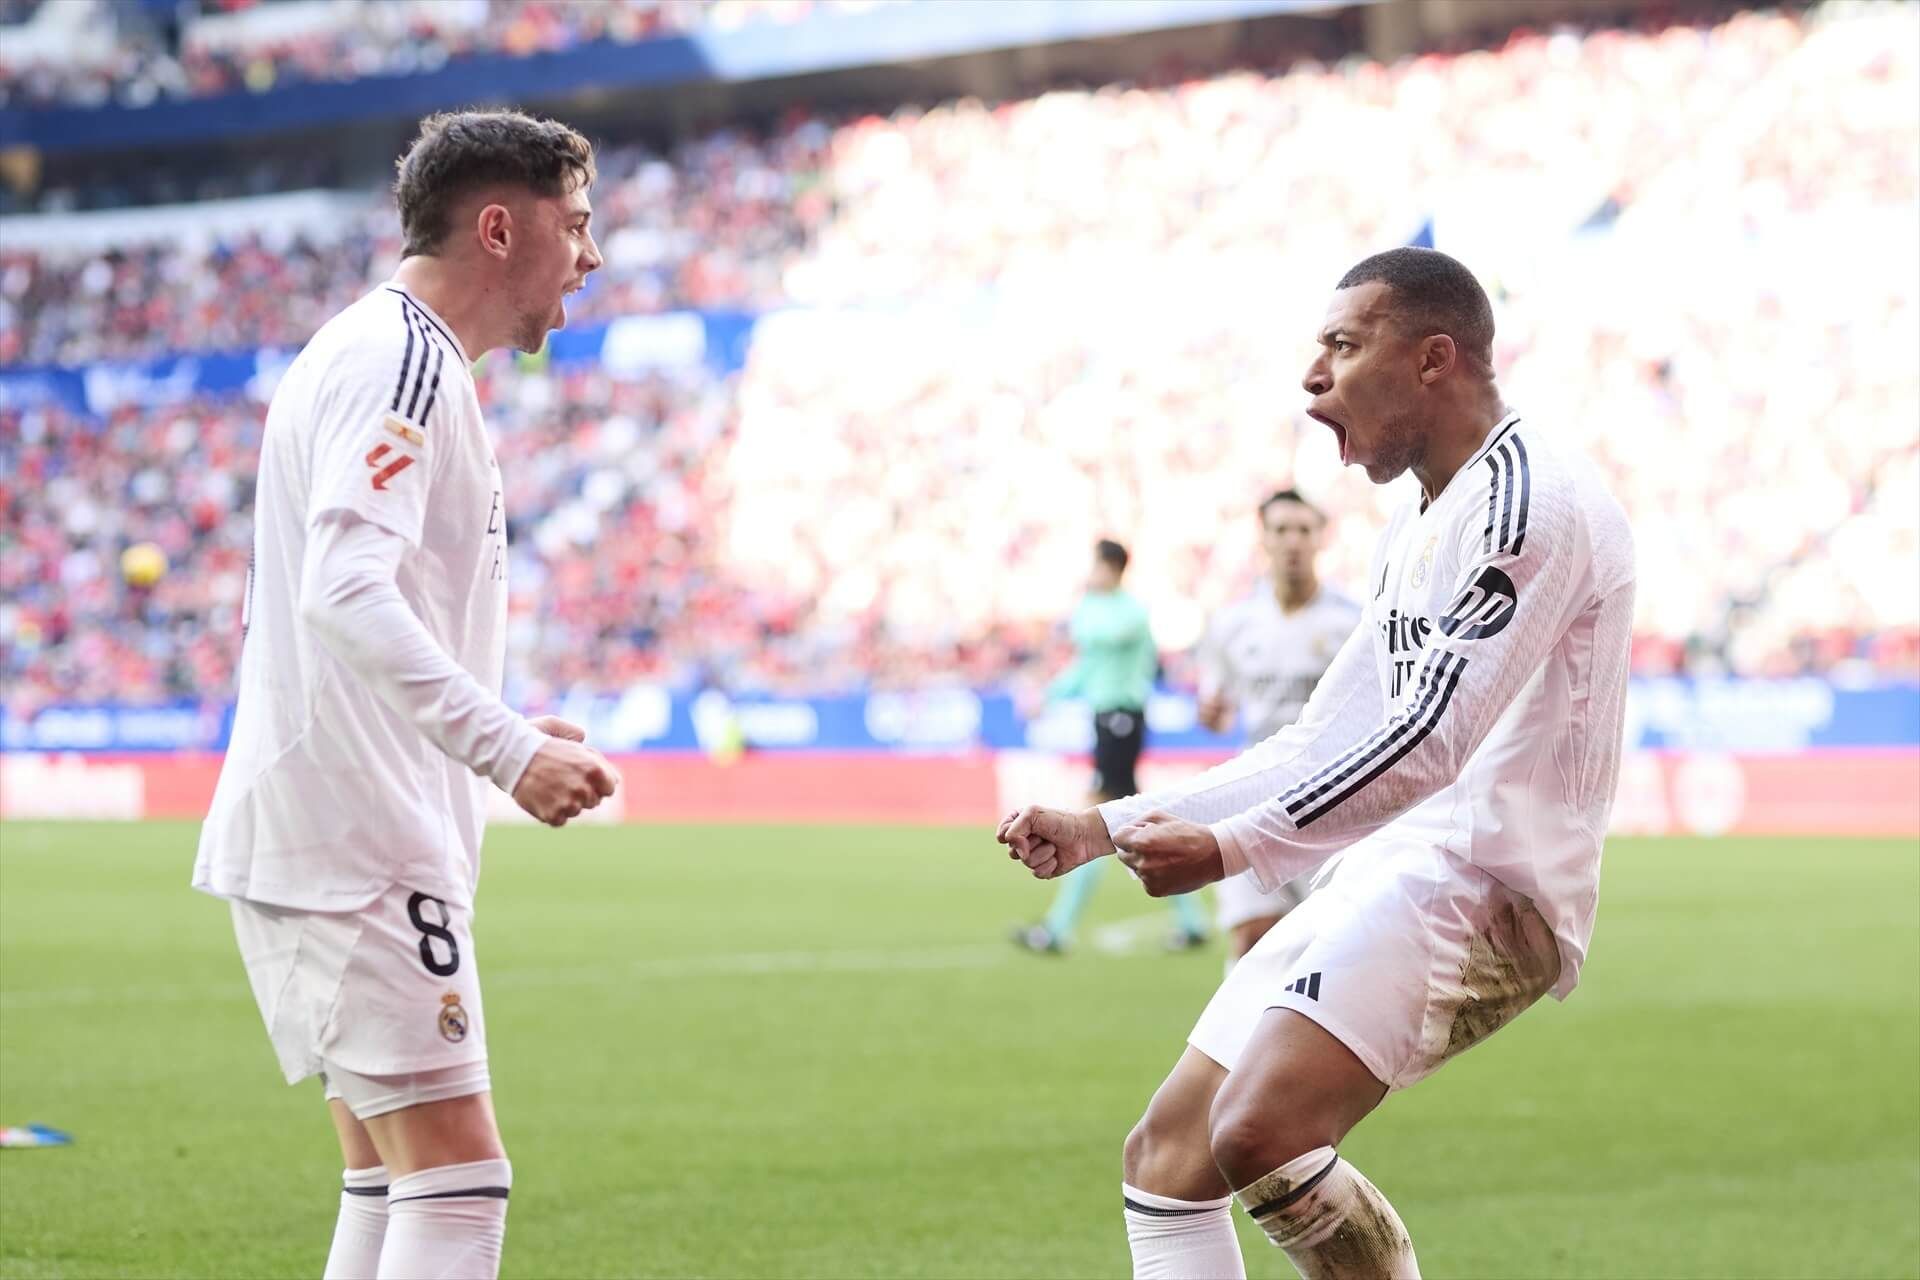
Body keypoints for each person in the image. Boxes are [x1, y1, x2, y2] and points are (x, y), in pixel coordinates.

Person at [998, 246, 1635, 1278]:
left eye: (1341, 344)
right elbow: (1320, 735)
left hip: (1485, 884)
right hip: (1394, 867)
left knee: (1259, 1128)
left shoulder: (1529, 501)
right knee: (1167, 1160)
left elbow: (1430, 735)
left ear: (1434, 360)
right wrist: (1106, 823)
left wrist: (1229, 844)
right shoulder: (1421, 520)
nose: (1311, 376)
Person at [191, 110, 615, 1280]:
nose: (591, 255)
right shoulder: (406, 356)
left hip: (343, 827)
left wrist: (504, 723)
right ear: (497, 226)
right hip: (357, 842)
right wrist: (504, 748)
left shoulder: (377, 350)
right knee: (458, 1180)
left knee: (389, 1178)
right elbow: (341, 585)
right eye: (575, 225)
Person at [1012, 539, 1210, 955]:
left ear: (1113, 569)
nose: (1091, 575)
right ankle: (1191, 921)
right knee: (1135, 823)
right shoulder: (1099, 611)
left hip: (1122, 719)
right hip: (1106, 721)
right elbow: (1086, 666)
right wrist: (1048, 697)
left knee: (1097, 817)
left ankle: (1058, 928)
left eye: (1097, 567)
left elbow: (1098, 639)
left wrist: (1083, 614)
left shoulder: (1129, 613)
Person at [1196, 490, 1361, 967]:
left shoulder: (1352, 623)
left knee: (1328, 950)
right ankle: (1240, 1042)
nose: (1293, 541)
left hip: (1330, 803)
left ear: (1319, 540)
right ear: (1264, 539)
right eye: (1282, 530)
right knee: (1251, 937)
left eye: (1304, 530)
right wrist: (1212, 713)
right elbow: (1218, 705)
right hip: (1255, 796)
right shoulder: (1233, 624)